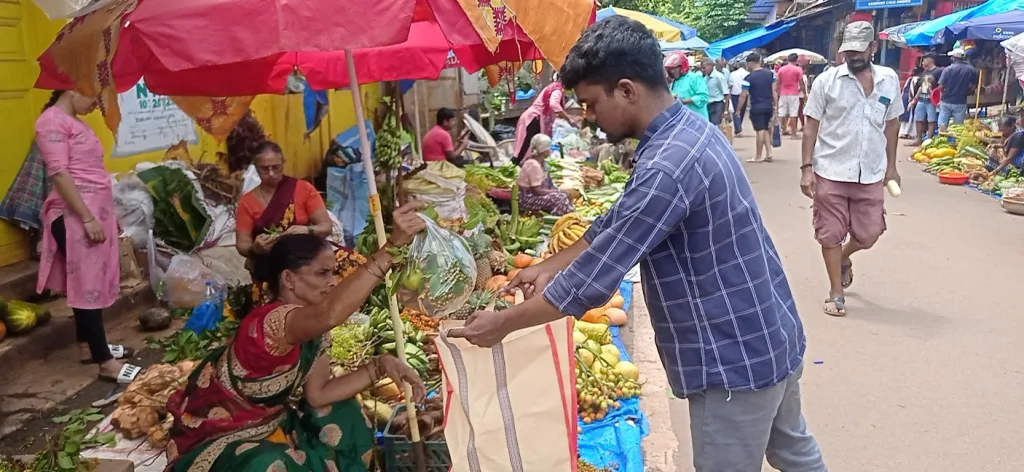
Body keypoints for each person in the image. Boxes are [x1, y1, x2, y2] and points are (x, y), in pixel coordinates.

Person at [451, 16, 826, 471]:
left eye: (591, 103)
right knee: (795, 453)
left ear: (626, 89)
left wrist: (504, 323)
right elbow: (618, 220)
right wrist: (550, 264)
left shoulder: (666, 166)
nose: (588, 118)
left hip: (732, 360)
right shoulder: (686, 131)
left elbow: (587, 287)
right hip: (769, 335)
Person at [165, 209, 429, 472]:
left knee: (344, 413)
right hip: (222, 432)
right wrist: (391, 248)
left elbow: (318, 394)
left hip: (270, 420)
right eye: (322, 273)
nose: (332, 282)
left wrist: (379, 366)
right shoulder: (273, 321)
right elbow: (330, 314)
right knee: (270, 465)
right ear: (289, 279)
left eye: (333, 273)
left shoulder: (311, 327)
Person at [35, 90, 141, 384]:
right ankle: (106, 363)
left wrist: (108, 215)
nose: (96, 103)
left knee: (87, 284)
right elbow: (60, 174)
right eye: (93, 95)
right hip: (75, 217)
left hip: (92, 214)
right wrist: (87, 217)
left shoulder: (71, 120)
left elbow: (92, 173)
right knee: (88, 287)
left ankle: (89, 347)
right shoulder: (51, 122)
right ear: (71, 88)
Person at [800, 21, 903, 317]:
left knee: (869, 233)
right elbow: (810, 127)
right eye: (848, 51)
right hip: (830, 170)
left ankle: (845, 257)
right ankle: (836, 291)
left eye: (859, 50)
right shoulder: (827, 81)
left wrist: (892, 167)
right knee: (830, 233)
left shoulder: (889, 80)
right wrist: (807, 168)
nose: (853, 56)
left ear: (874, 48)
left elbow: (893, 123)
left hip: (870, 171)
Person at [235, 141, 364, 305]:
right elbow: (242, 244)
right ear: (255, 167)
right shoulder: (247, 202)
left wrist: (306, 230)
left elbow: (325, 227)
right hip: (272, 265)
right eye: (264, 169)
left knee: (356, 266)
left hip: (308, 259)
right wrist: (255, 248)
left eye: (276, 167)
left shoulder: (303, 189)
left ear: (283, 164)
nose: (271, 173)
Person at [516, 134, 576, 215]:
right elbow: (537, 191)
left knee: (564, 195)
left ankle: (569, 216)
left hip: (536, 195)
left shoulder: (543, 164)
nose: (551, 150)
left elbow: (550, 185)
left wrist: (561, 191)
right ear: (545, 152)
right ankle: (556, 221)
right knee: (559, 198)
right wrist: (560, 191)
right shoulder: (533, 165)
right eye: (549, 148)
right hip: (528, 199)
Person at [514, 77, 569, 163]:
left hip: (536, 119)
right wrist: (568, 118)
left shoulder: (553, 87)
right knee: (524, 149)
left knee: (535, 149)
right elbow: (553, 104)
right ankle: (513, 167)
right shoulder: (557, 90)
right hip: (534, 119)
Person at [736, 52, 778, 162]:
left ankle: (758, 156)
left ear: (750, 63)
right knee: (765, 129)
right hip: (768, 106)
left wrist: (738, 110)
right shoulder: (770, 74)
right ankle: (769, 153)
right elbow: (774, 91)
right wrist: (776, 105)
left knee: (760, 130)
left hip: (756, 107)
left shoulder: (749, 78)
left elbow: (743, 95)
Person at [937, 48, 977, 132]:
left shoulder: (947, 69)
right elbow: (974, 86)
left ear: (953, 58)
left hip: (946, 100)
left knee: (942, 124)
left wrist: (944, 93)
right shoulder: (971, 70)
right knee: (958, 126)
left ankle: (942, 140)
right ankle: (954, 143)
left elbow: (940, 86)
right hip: (961, 101)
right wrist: (967, 92)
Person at [908, 53, 942, 146]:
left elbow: (941, 87)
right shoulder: (925, 72)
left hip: (931, 101)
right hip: (921, 99)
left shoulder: (938, 71)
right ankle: (918, 139)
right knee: (918, 119)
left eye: (924, 60)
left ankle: (928, 141)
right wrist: (915, 100)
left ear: (930, 60)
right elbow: (921, 87)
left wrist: (937, 98)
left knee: (931, 120)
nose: (922, 62)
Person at [664, 53, 709, 119]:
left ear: (682, 67)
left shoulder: (694, 78)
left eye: (674, 68)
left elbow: (704, 97)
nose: (672, 71)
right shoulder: (675, 82)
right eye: (670, 69)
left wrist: (685, 101)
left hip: (697, 118)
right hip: (682, 119)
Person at [777, 53, 805, 138]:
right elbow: (801, 83)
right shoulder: (798, 69)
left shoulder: (781, 69)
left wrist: (778, 92)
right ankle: (793, 134)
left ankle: (783, 130)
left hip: (783, 93)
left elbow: (778, 83)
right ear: (796, 60)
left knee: (782, 112)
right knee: (793, 113)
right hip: (793, 93)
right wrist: (804, 93)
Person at [701, 58, 729, 126]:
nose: (702, 70)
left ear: (711, 65)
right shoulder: (705, 78)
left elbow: (726, 94)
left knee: (715, 126)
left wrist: (725, 111)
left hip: (717, 104)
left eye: (704, 67)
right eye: (701, 68)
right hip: (707, 104)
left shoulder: (719, 77)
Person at [899, 67, 924, 140]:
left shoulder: (909, 79)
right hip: (910, 98)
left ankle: (903, 132)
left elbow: (904, 89)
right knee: (910, 116)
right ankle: (906, 132)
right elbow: (912, 89)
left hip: (904, 97)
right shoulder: (916, 79)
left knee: (904, 116)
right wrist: (912, 100)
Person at [729, 62, 750, 136]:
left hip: (734, 94)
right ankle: (738, 127)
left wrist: (729, 94)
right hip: (744, 94)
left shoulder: (732, 74)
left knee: (736, 111)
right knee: (742, 111)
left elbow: (730, 85)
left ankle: (738, 128)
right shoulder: (747, 73)